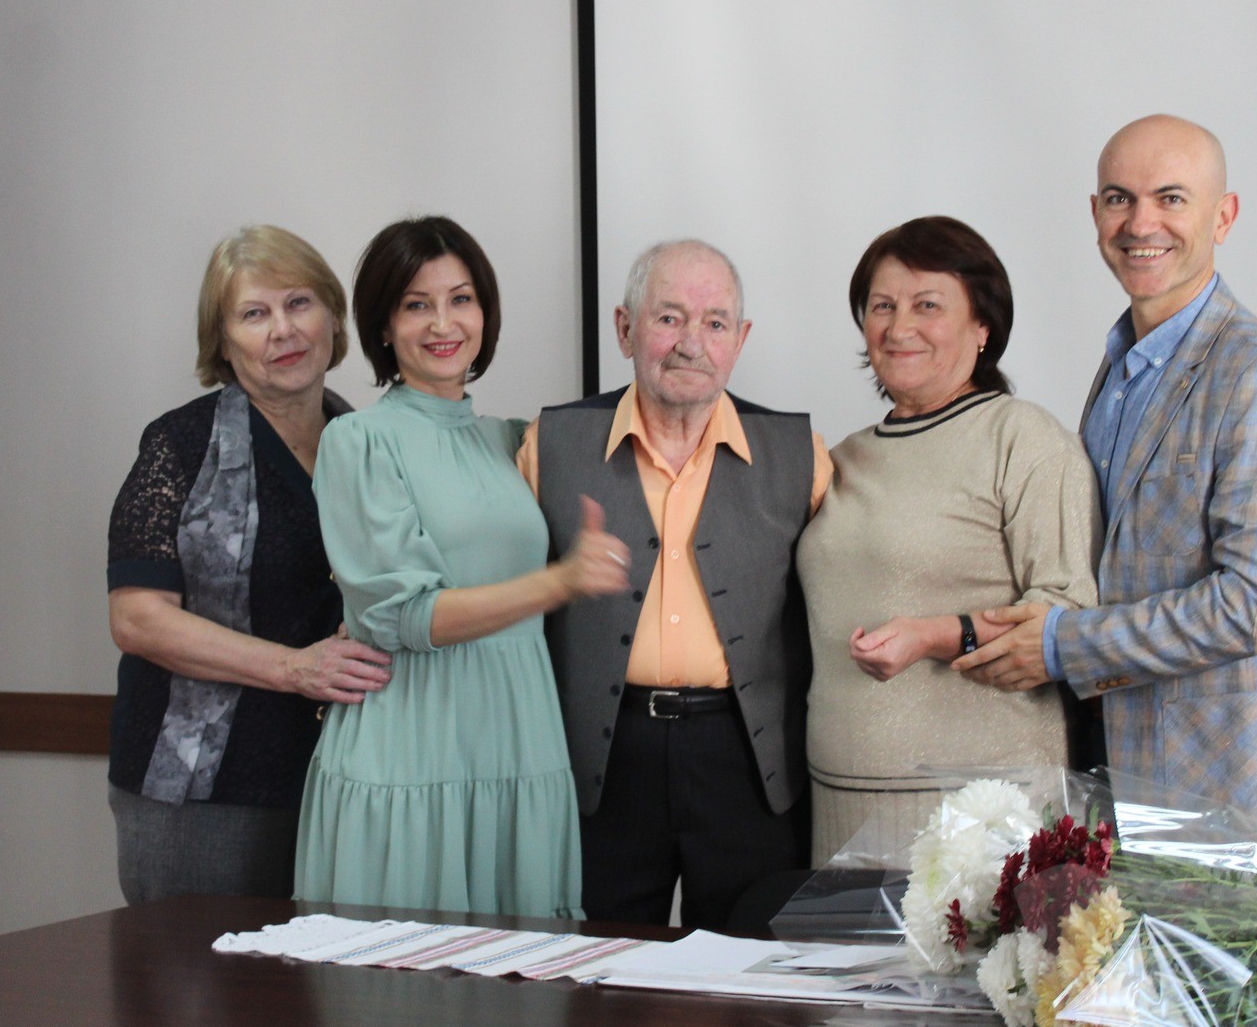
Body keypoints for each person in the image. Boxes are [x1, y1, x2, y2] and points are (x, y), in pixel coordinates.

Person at [959, 115, 1257, 834]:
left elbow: (1255, 605)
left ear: (1224, 216)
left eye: (1171, 198)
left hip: (1225, 790)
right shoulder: (1123, 366)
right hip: (1112, 778)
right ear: (1095, 213)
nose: (1140, 223)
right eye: (1119, 199)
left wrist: (1062, 644)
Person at [295, 216, 630, 917]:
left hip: (520, 741)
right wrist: (559, 581)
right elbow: (405, 616)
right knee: (399, 974)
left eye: (462, 299)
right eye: (416, 304)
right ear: (384, 325)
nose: (444, 323)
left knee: (523, 968)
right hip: (412, 745)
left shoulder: (513, 440)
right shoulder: (358, 440)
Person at [518, 240, 830, 930]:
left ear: (740, 340)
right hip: (600, 761)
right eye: (669, 318)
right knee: (599, 966)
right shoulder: (551, 443)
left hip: (747, 760)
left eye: (715, 323)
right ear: (624, 328)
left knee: (746, 965)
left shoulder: (800, 454)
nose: (692, 342)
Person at [795, 217, 1101, 865]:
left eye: (927, 305)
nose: (898, 326)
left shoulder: (1025, 439)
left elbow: (1068, 616)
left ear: (982, 325)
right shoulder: (840, 459)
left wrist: (935, 635)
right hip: (840, 811)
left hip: (983, 819)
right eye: (882, 306)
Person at [105, 226, 395, 904]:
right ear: (223, 340)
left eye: (299, 303)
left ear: (333, 317)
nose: (282, 330)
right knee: (193, 973)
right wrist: (294, 668)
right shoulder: (180, 444)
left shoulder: (370, 444)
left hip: (342, 779)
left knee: (326, 975)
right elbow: (137, 619)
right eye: (254, 313)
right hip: (203, 795)